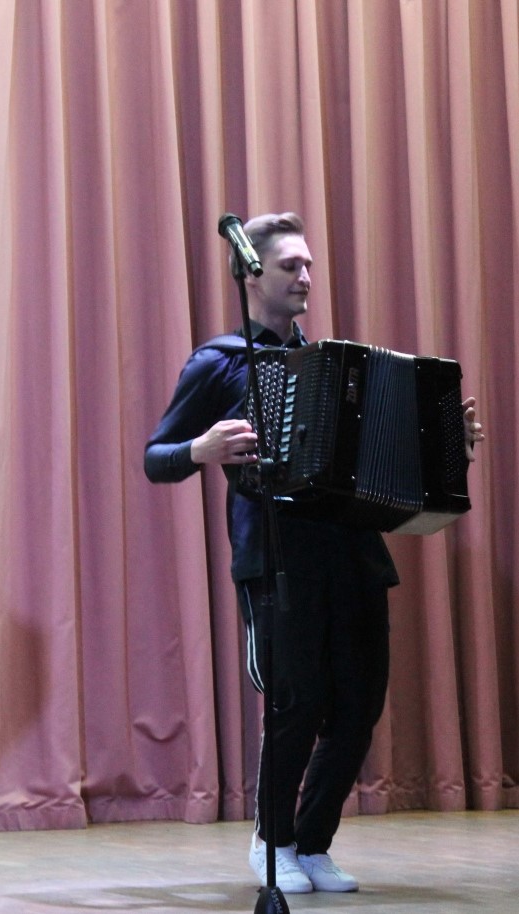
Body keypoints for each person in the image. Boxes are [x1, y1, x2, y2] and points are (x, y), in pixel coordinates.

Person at [143, 212, 484, 894]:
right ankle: (273, 839)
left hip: (353, 556)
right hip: (276, 560)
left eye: (308, 265)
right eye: (290, 265)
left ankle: (314, 841)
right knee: (296, 704)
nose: (305, 276)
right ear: (251, 275)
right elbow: (156, 457)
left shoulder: (334, 366)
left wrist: (449, 446)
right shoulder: (219, 362)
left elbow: (386, 459)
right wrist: (201, 449)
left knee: (358, 707)